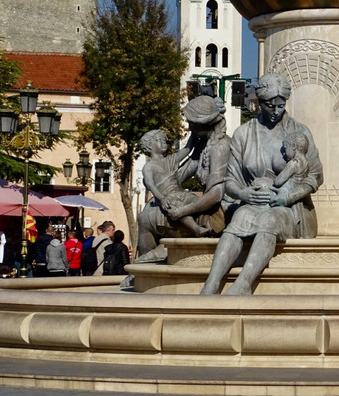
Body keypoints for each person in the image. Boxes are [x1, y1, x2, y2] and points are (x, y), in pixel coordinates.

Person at [201, 72, 324, 296]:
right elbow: (230, 180)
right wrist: (244, 194)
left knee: (270, 218)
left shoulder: (299, 132)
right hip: (252, 202)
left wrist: (286, 197)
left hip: (288, 207)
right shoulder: (244, 134)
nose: (276, 111)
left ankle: (243, 284)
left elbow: (315, 176)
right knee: (240, 217)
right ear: (259, 102)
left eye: (281, 105)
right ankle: (211, 283)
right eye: (270, 105)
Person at [136, 95, 231, 261]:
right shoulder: (206, 146)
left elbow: (216, 194)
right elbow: (178, 176)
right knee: (150, 209)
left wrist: (181, 211)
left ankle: (148, 263)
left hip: (219, 215)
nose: (188, 127)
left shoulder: (220, 146)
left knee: (145, 220)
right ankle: (153, 259)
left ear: (204, 123)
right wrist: (161, 190)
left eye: (191, 123)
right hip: (204, 208)